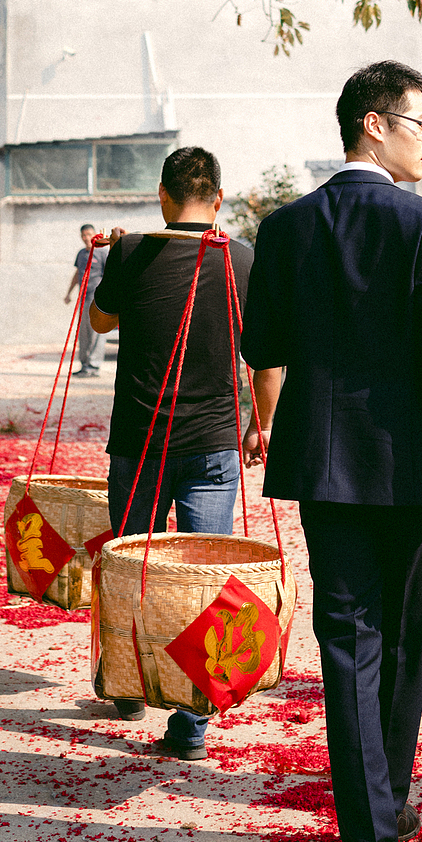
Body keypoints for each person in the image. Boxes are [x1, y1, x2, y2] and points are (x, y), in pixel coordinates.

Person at [240, 59, 422, 842]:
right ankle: (385, 812)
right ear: (374, 124)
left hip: (328, 469)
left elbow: (262, 345)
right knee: (405, 641)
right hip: (420, 474)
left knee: (350, 648)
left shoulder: (285, 228)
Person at [89, 145, 265, 761]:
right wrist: (259, 425)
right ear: (218, 198)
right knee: (203, 581)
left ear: (162, 196)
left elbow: (101, 323)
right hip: (214, 444)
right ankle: (190, 727)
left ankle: (127, 686)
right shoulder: (242, 258)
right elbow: (263, 354)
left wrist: (115, 254)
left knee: (131, 569)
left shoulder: (134, 251)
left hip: (140, 443)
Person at [65, 223, 108, 376]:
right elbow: (78, 274)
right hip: (83, 299)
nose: (86, 238)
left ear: (95, 235)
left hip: (97, 300)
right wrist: (69, 293)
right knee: (83, 333)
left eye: (89, 234)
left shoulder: (102, 253)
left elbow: (110, 275)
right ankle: (84, 365)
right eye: (83, 235)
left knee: (96, 333)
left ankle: (94, 366)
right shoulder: (81, 254)